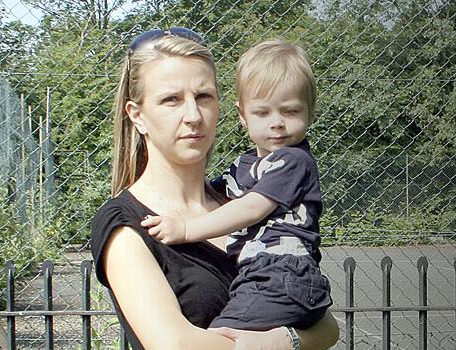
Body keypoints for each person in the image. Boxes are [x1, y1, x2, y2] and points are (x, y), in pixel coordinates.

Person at [91, 28, 339, 349]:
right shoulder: (127, 226)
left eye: (204, 97)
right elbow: (175, 344)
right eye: (172, 100)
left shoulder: (241, 197)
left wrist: (284, 340)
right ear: (137, 115)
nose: (193, 116)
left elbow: (326, 325)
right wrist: (267, 345)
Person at [142, 39, 332, 331]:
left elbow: (252, 207)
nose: (277, 123)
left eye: (290, 111)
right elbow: (216, 190)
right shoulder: (244, 167)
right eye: (262, 113)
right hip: (258, 276)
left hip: (283, 273)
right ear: (242, 115)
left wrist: (186, 229)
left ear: (310, 111)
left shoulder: (295, 161)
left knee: (221, 337)